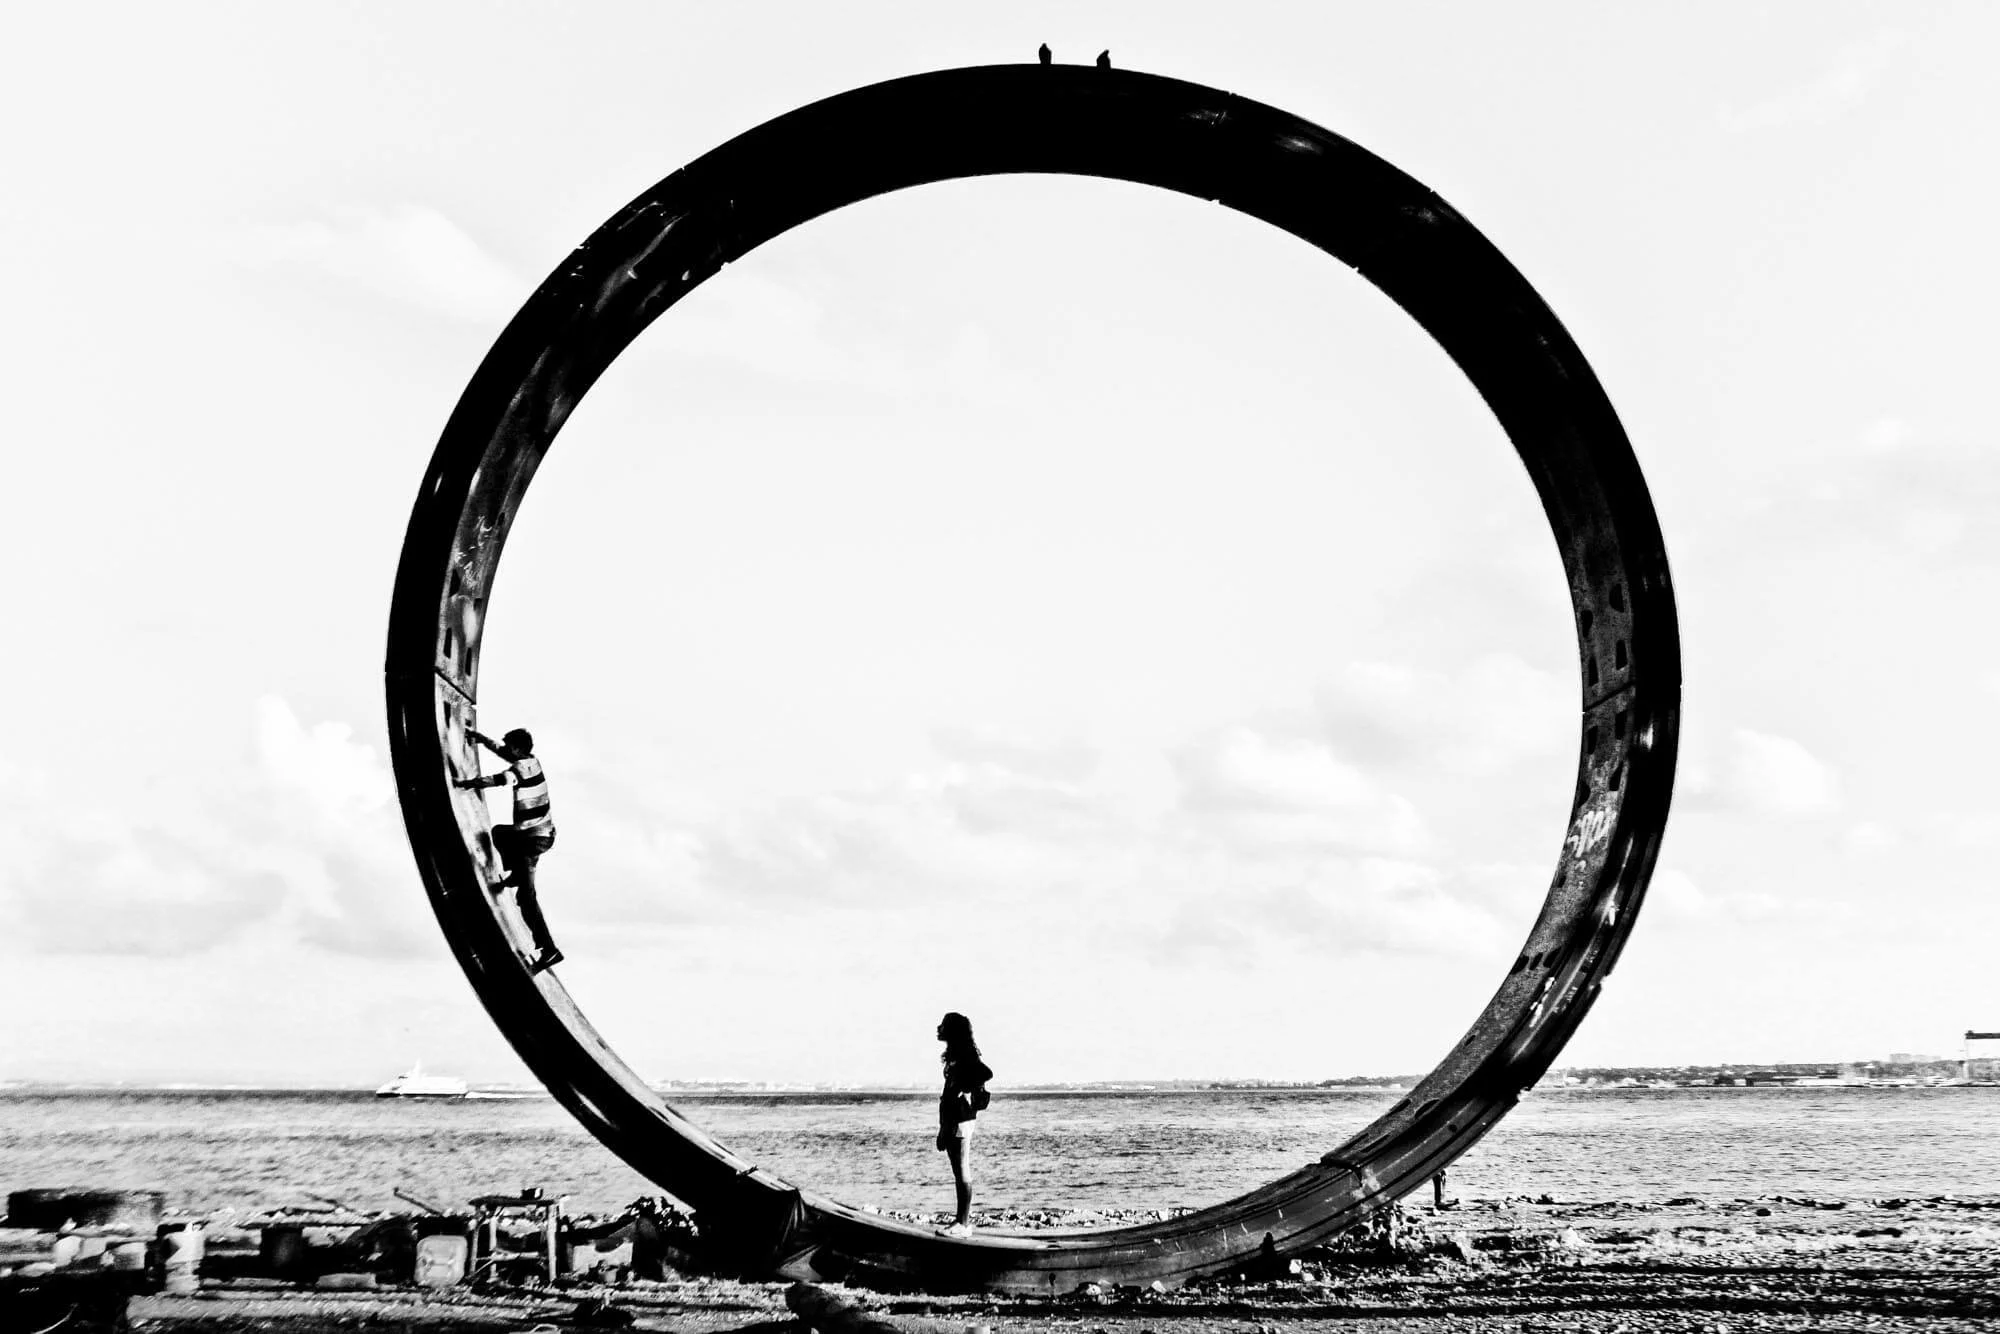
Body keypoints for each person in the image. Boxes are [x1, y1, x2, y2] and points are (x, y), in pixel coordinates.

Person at [459, 726, 562, 973]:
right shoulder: (532, 762)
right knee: (500, 833)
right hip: (540, 835)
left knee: (526, 898)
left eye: (508, 746)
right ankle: (515, 874)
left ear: (517, 748)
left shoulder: (519, 769)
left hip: (531, 840)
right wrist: (481, 739)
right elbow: (506, 755)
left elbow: (503, 779)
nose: (505, 749)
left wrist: (470, 783)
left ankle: (549, 950)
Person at [934, 1012, 993, 1235]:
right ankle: (961, 1220)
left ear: (953, 1031)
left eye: (943, 1026)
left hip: (961, 1118)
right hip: (953, 1118)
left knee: (962, 1171)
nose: (938, 1029)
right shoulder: (955, 1055)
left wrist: (964, 1087)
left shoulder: (965, 1055)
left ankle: (964, 1223)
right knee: (958, 1171)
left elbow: (986, 1073)